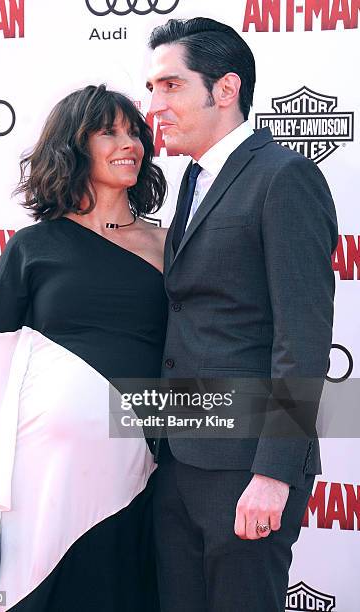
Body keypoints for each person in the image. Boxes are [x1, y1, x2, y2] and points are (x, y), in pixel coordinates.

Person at [0, 84, 168, 611]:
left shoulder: (168, 245)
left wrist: (275, 413)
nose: (129, 142)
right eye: (109, 131)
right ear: (73, 146)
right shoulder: (32, 247)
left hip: (140, 463)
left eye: (134, 130)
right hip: (43, 470)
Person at [146, 17, 338, 612]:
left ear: (224, 89)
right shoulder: (195, 180)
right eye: (152, 89)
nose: (155, 106)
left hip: (246, 467)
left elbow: (302, 341)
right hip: (177, 457)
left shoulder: (284, 177)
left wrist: (275, 474)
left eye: (171, 86)